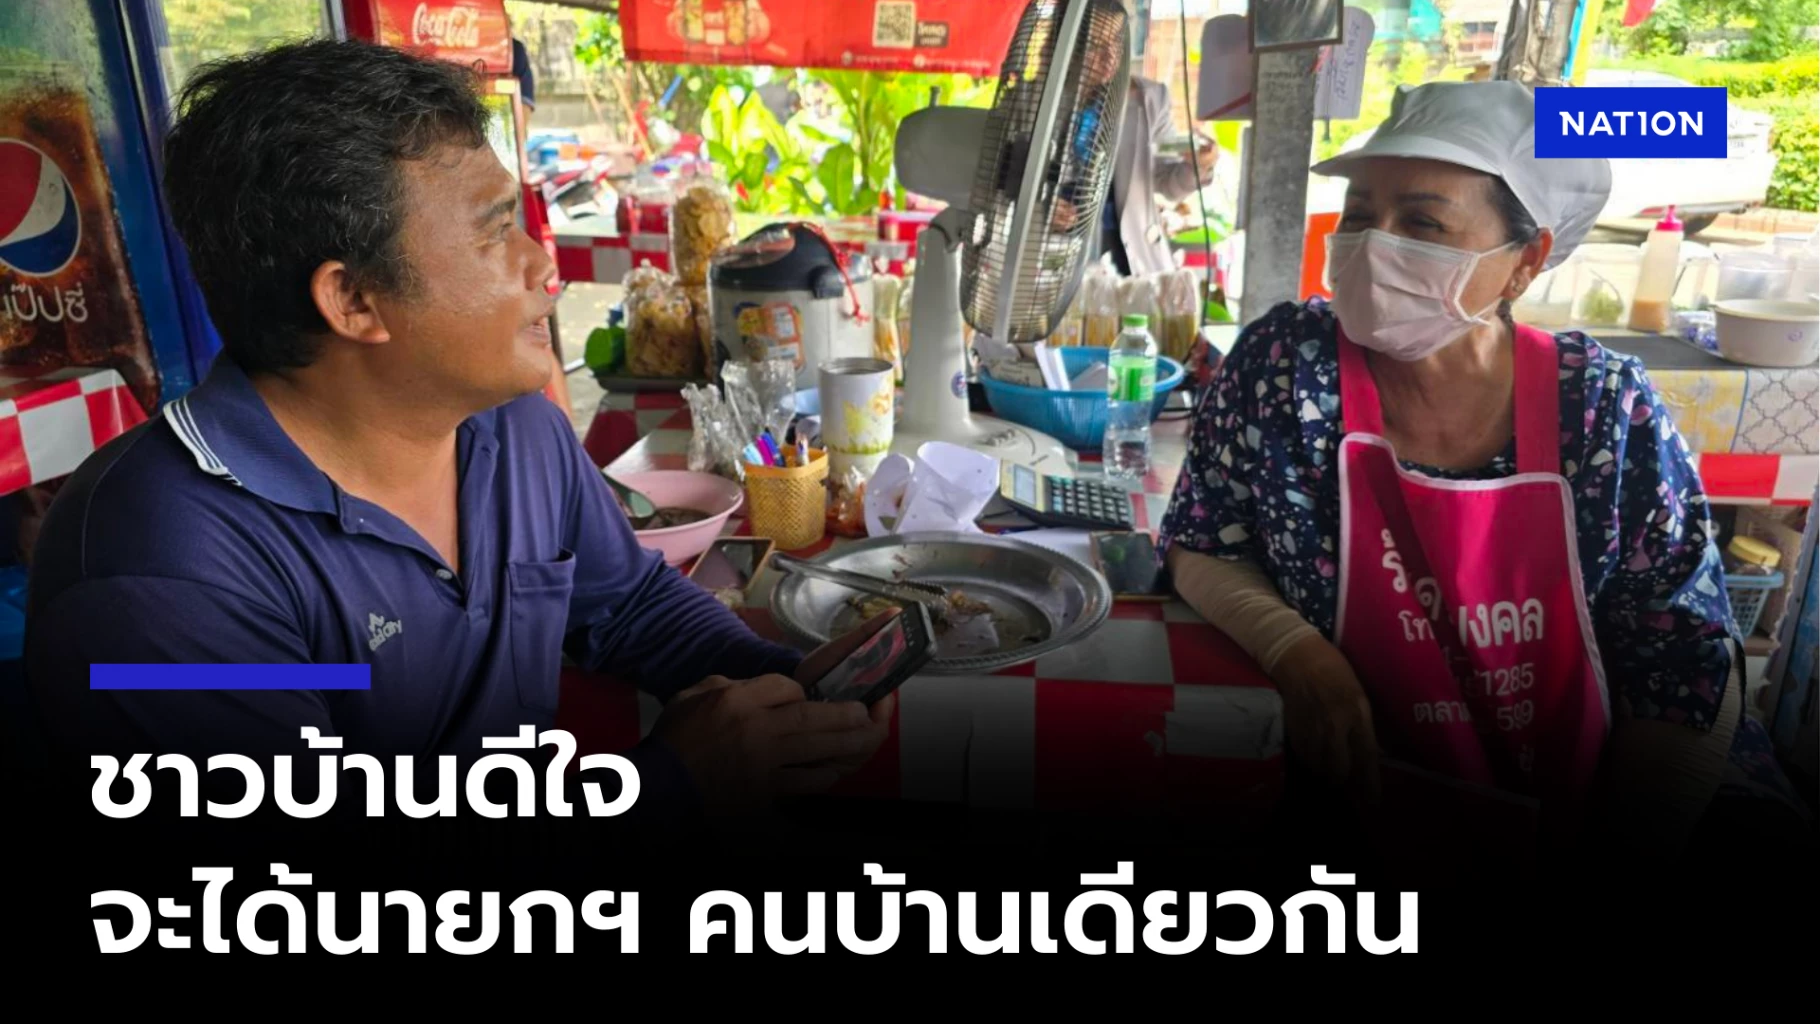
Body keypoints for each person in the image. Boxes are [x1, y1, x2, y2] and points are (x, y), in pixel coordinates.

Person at [23, 39, 894, 823]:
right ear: (353, 299)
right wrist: (668, 785)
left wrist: (782, 689)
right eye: (495, 231)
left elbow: (626, 603)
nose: (544, 266)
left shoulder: (514, 431)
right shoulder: (158, 579)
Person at [1159, 81, 1809, 861]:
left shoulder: (1601, 405)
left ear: (1524, 262)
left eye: (1422, 222)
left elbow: (1683, 659)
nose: (1374, 244)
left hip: (1601, 804)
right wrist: (1298, 656)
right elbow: (1205, 541)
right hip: (1359, 790)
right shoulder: (1286, 368)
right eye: (1359, 215)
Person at [1100, 75, 1217, 277]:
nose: (1107, 61)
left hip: (1124, 244)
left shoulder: (1149, 98)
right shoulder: (1054, 93)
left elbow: (1168, 182)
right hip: (1064, 234)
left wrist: (1199, 165)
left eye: (1112, 55)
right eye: (1096, 54)